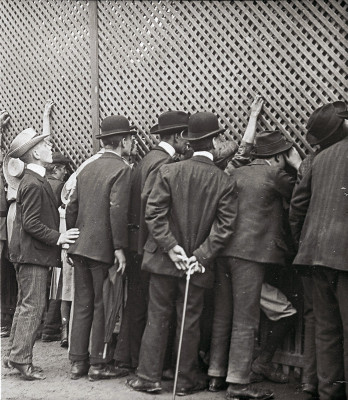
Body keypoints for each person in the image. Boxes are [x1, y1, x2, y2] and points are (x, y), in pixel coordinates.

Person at [128, 111, 238, 396]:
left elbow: (153, 213)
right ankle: (185, 380)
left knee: (158, 317)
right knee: (189, 320)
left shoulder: (169, 170)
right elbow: (225, 228)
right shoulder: (223, 181)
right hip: (197, 266)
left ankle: (147, 378)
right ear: (213, 142)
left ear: (188, 140)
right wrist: (199, 255)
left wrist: (170, 247)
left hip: (165, 259)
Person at [208, 130, 301, 399]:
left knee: (223, 314)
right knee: (245, 319)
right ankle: (238, 383)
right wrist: (296, 164)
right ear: (279, 156)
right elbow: (301, 192)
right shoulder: (274, 174)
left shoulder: (236, 173)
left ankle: (216, 375)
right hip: (250, 255)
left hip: (224, 252)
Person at [115, 110, 189, 370]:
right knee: (146, 307)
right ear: (179, 135)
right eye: (187, 136)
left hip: (136, 240)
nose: (188, 142)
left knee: (136, 303)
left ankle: (126, 359)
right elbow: (152, 205)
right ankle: (138, 363)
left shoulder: (149, 158)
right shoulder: (162, 163)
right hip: (149, 244)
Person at [3, 128, 79, 380]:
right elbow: (32, 224)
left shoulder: (33, 180)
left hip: (27, 254)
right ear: (35, 153)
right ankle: (21, 360)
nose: (51, 148)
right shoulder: (34, 183)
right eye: (46, 145)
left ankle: (15, 355)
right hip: (32, 255)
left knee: (26, 305)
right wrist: (59, 237)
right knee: (33, 307)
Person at [66, 115, 133, 381]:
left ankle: (77, 363)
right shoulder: (122, 169)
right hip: (103, 250)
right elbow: (116, 212)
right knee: (102, 304)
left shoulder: (87, 167)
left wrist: (71, 238)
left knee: (82, 304)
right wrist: (119, 248)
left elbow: (71, 205)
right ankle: (98, 364)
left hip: (80, 246)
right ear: (124, 141)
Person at [290, 101, 348, 400]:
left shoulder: (318, 158)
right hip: (344, 259)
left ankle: (328, 395)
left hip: (314, 256)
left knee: (326, 333)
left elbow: (297, 207)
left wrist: (305, 244)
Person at [41, 151, 72, 344]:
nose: (66, 172)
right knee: (60, 285)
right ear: (56, 169)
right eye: (63, 169)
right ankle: (53, 328)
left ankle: (47, 328)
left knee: (49, 285)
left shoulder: (43, 184)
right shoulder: (60, 187)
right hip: (58, 237)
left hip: (43, 240)